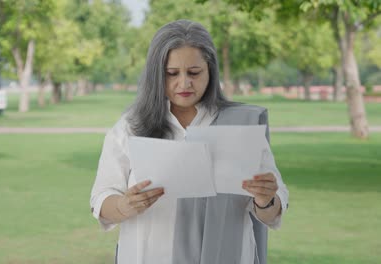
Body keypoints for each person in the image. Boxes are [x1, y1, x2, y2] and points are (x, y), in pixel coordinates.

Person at [90, 19, 289, 264]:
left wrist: (265, 198)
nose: (184, 83)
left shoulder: (241, 125)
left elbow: (273, 212)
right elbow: (101, 199)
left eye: (194, 73)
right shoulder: (131, 126)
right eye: (172, 74)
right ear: (156, 74)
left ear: (210, 70)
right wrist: (125, 205)